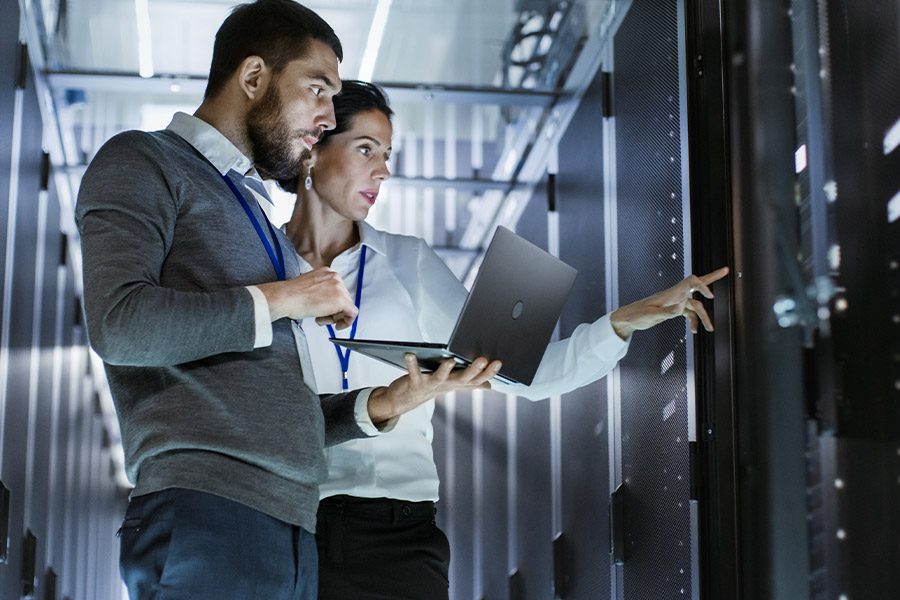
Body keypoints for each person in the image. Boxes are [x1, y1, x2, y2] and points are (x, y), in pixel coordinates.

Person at [74, 3, 499, 599]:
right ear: (253, 79)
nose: (327, 118)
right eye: (317, 90)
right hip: (208, 509)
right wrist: (284, 297)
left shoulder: (255, 218)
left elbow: (279, 410)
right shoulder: (145, 160)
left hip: (291, 525)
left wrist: (385, 402)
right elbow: (121, 325)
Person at [278, 80, 729, 599]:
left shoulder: (410, 262)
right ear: (314, 148)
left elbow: (523, 377)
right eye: (365, 149)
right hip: (285, 523)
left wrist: (622, 322)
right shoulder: (259, 268)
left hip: (396, 535)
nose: (383, 170)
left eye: (387, 154)